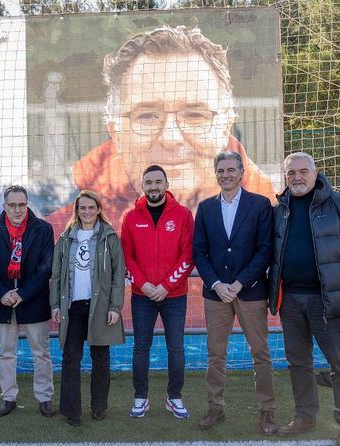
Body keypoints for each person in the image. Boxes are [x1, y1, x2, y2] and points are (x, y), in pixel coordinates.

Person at [46, 25, 275, 235]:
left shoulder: (269, 214)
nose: (171, 138)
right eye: (147, 116)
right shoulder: (62, 231)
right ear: (115, 132)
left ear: (225, 127)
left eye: (195, 115)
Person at [268, 152, 340, 446]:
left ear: (315, 173)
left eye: (302, 172)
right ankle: (305, 416)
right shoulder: (279, 210)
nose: (297, 177)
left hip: (327, 302)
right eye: (291, 173)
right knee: (298, 362)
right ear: (285, 177)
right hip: (291, 301)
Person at [192, 152, 276, 435]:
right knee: (216, 354)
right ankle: (215, 407)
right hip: (216, 294)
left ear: (241, 173)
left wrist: (239, 283)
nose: (226, 174)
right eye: (221, 170)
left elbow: (265, 250)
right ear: (215, 174)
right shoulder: (205, 208)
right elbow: (199, 252)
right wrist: (216, 284)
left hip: (250, 292)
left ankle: (267, 412)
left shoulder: (260, 205)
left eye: (231, 169)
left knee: (260, 354)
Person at [121, 165, 194, 419]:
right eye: (149, 182)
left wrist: (165, 286)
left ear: (166, 184)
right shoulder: (131, 217)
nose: (153, 186)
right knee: (141, 348)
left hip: (174, 296)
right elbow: (126, 258)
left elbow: (188, 256)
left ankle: (174, 398)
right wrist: (144, 285)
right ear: (143, 186)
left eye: (158, 182)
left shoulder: (183, 215)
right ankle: (141, 397)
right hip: (143, 297)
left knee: (177, 349)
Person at [50, 190, 125, 427]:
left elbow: (117, 276)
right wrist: (55, 305)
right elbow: (56, 276)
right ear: (77, 210)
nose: (87, 211)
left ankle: (98, 407)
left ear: (99, 209)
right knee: (70, 357)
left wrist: (115, 306)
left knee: (100, 357)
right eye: (83, 207)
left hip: (100, 308)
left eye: (91, 207)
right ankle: (72, 410)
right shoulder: (66, 238)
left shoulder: (109, 237)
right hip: (73, 308)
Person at [0, 185, 56, 418]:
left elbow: (46, 267)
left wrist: (23, 293)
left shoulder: (43, 229)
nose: (17, 210)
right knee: (6, 353)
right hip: (3, 302)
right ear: (4, 206)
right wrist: (3, 293)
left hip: (33, 299)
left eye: (21, 205)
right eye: (12, 205)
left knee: (41, 352)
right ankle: (8, 397)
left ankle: (44, 398)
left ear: (27, 204)